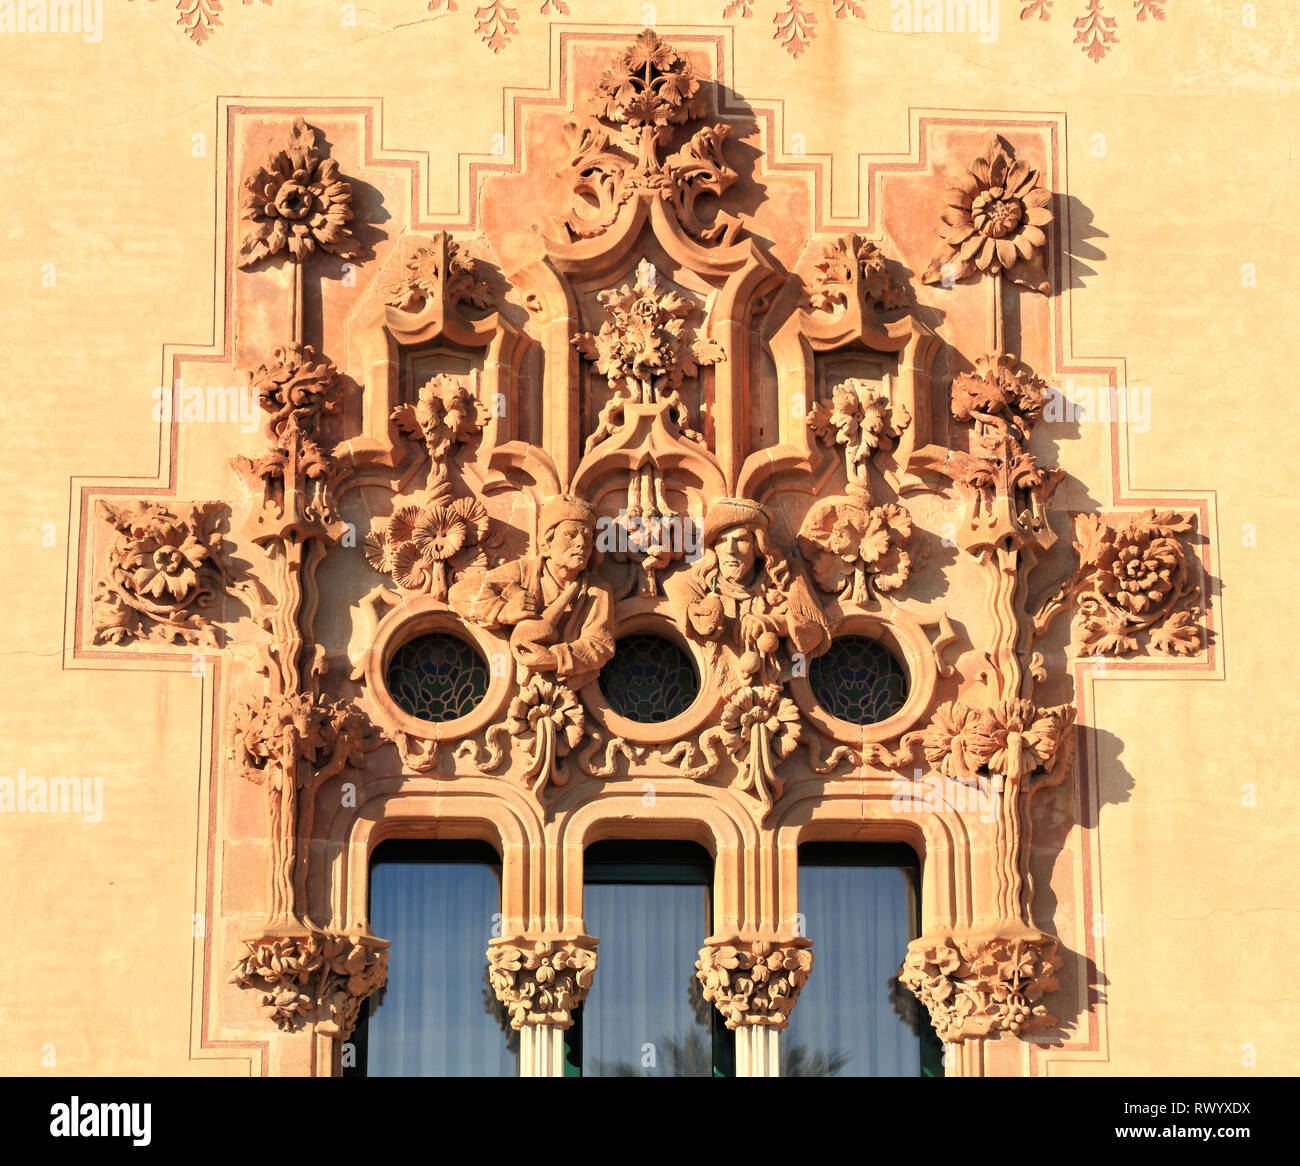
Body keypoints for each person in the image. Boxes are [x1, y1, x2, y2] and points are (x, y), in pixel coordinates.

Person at [451, 494, 615, 690]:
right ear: (546, 545)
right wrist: (503, 611)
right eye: (570, 535)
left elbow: (600, 645)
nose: (581, 543)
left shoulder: (598, 590)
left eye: (588, 537)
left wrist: (554, 658)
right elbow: (460, 593)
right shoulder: (523, 571)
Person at [685, 498, 829, 689]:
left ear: (758, 545)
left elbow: (817, 632)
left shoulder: (785, 575)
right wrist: (696, 613)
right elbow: (672, 583)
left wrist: (774, 622)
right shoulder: (700, 580)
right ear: (714, 549)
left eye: (741, 540)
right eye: (722, 541)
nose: (730, 550)